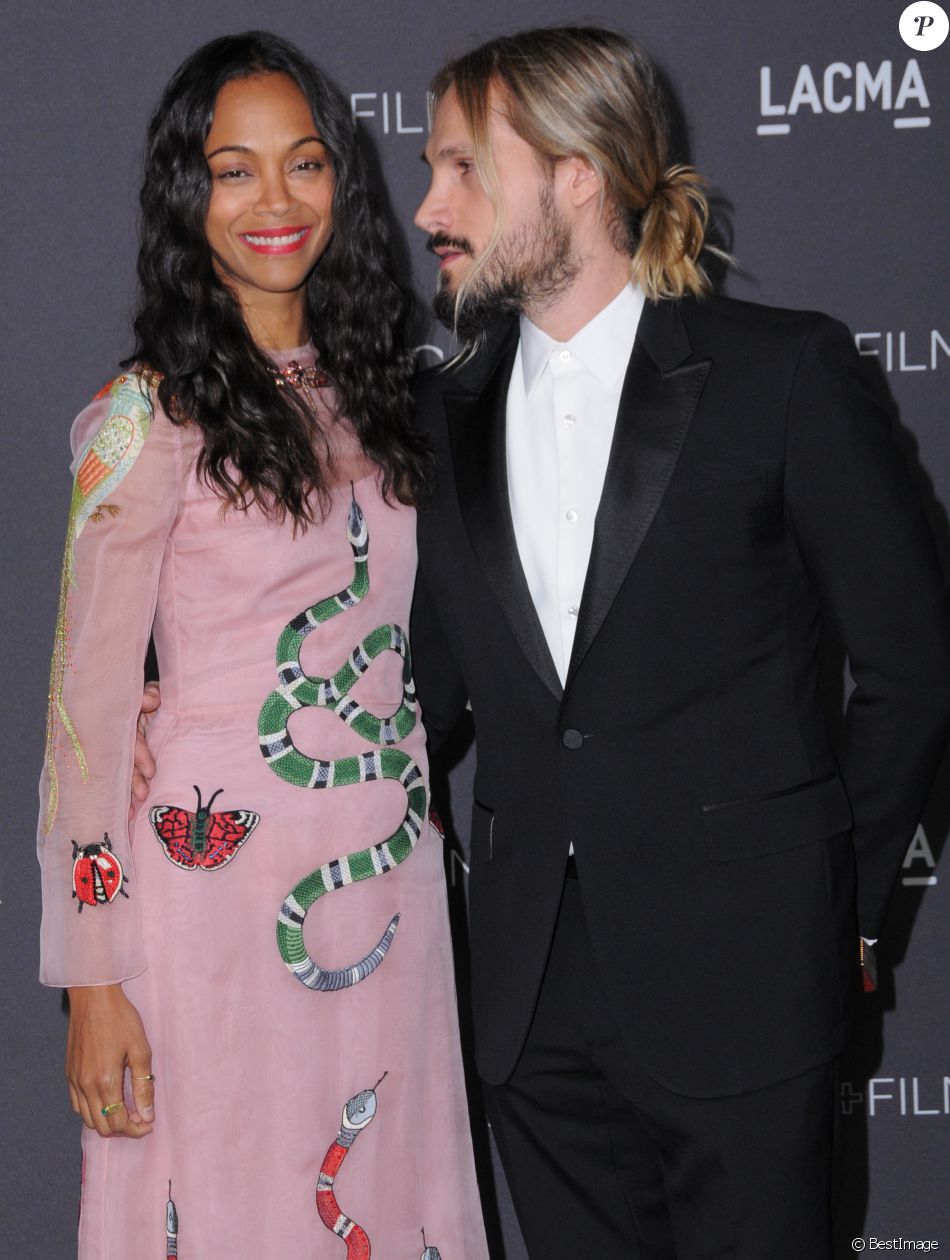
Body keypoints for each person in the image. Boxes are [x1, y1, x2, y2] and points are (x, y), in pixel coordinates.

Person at [406, 25, 950, 1260]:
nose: (428, 206)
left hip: (747, 979)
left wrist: (833, 913)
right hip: (526, 996)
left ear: (578, 173)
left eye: (461, 168)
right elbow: (419, 698)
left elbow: (912, 669)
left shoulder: (782, 375)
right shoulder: (438, 416)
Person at [38, 31, 488, 1260]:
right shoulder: (144, 419)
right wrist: (91, 977)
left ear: (341, 181)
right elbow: (83, 728)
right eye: (233, 172)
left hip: (385, 870)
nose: (275, 202)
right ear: (188, 199)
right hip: (212, 900)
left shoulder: (388, 397)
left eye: (302, 164)